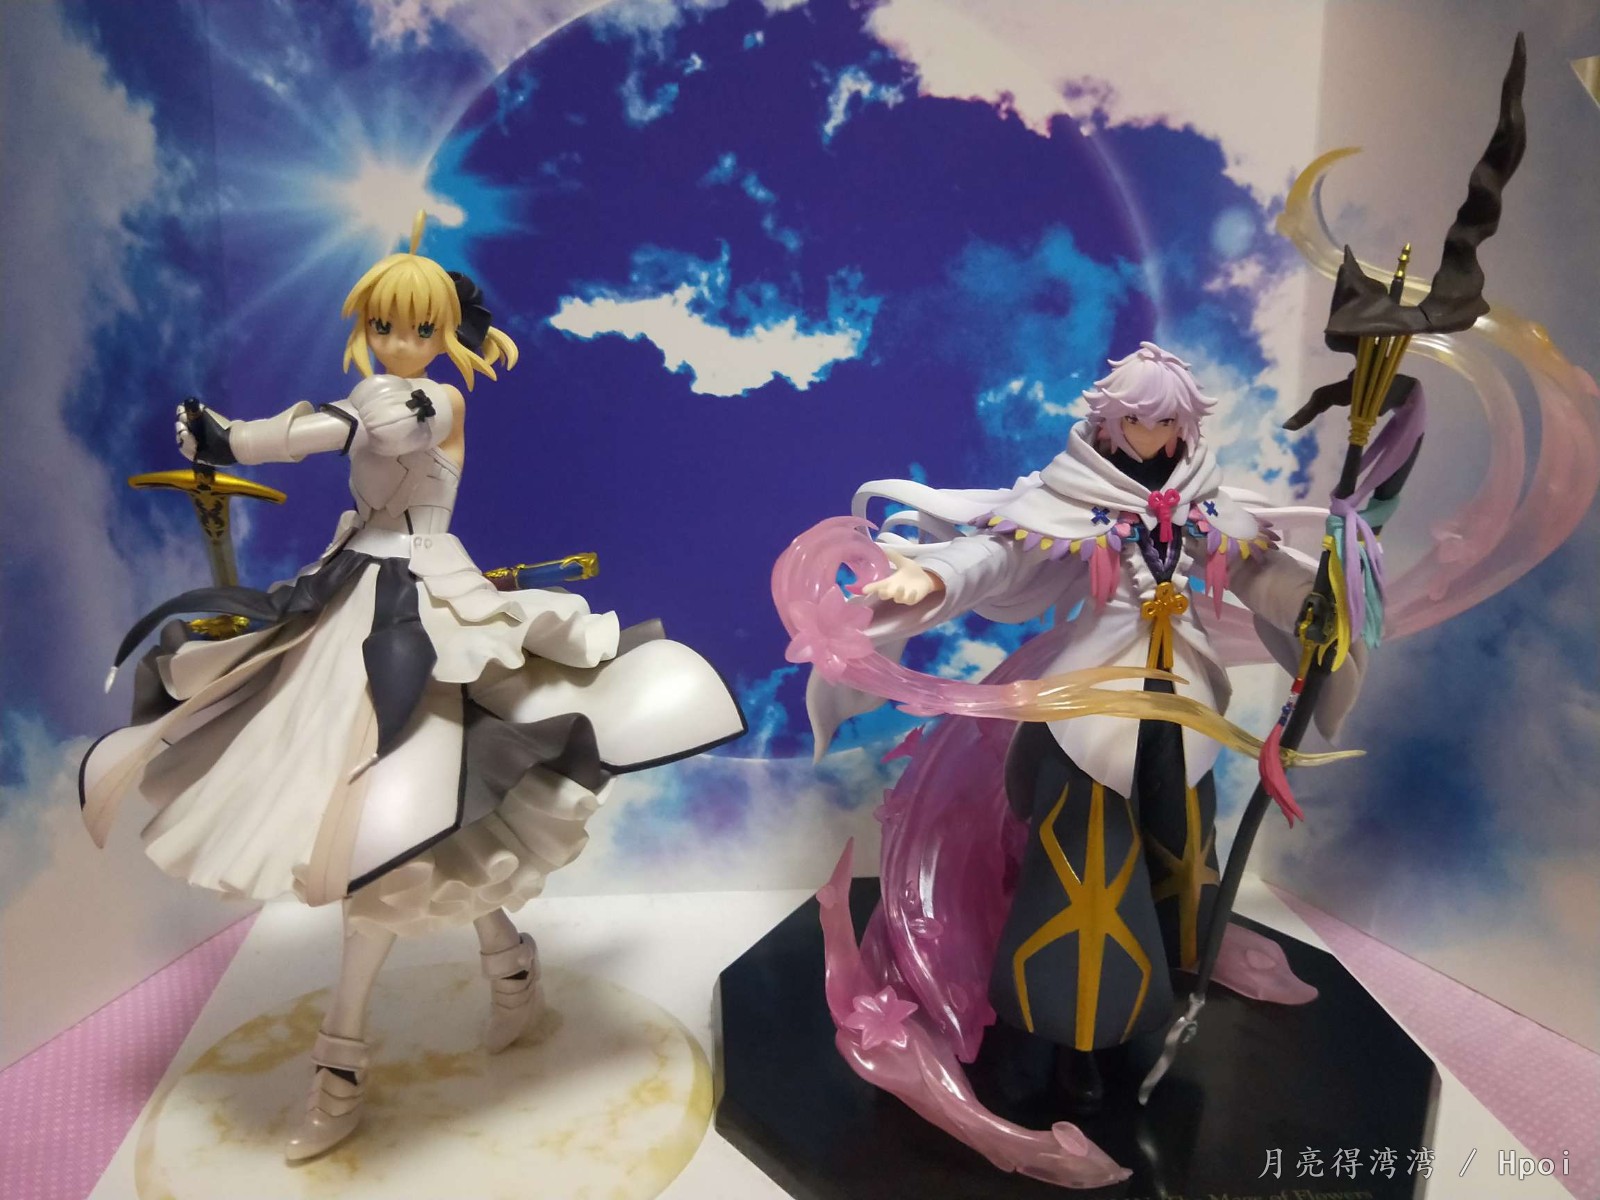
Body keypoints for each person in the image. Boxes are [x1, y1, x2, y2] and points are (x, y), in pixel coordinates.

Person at [80, 212, 745, 1161]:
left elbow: (352, 425)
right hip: (347, 594)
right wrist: (231, 444)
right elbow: (343, 427)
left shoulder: (433, 401)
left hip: (427, 608)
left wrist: (234, 438)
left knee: (403, 811)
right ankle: (508, 967)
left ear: (442, 334)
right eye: (386, 325)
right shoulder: (384, 390)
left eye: (420, 328)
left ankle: (341, 1066)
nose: (401, 341)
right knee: (401, 810)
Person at [807, 342, 1361, 1103]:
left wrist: (1312, 603)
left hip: (1185, 714)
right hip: (1090, 717)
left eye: (1168, 422)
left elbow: (1258, 569)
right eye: (1139, 420)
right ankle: (1066, 1040)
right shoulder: (1071, 495)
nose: (1155, 436)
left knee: (1180, 866)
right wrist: (929, 574)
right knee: (1083, 881)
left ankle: (1162, 997)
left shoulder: (1201, 500)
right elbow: (996, 555)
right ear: (1109, 421)